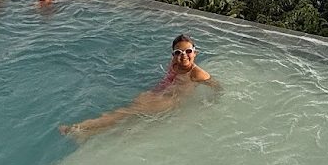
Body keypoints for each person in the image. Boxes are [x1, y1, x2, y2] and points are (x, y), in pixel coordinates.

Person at [59, 34, 218, 141]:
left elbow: (216, 86)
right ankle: (87, 134)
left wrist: (211, 102)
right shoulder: (174, 64)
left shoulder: (197, 73)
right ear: (173, 55)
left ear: (195, 53)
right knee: (127, 120)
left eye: (188, 51)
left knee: (122, 114)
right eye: (178, 52)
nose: (183, 55)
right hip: (155, 96)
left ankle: (78, 129)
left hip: (167, 102)